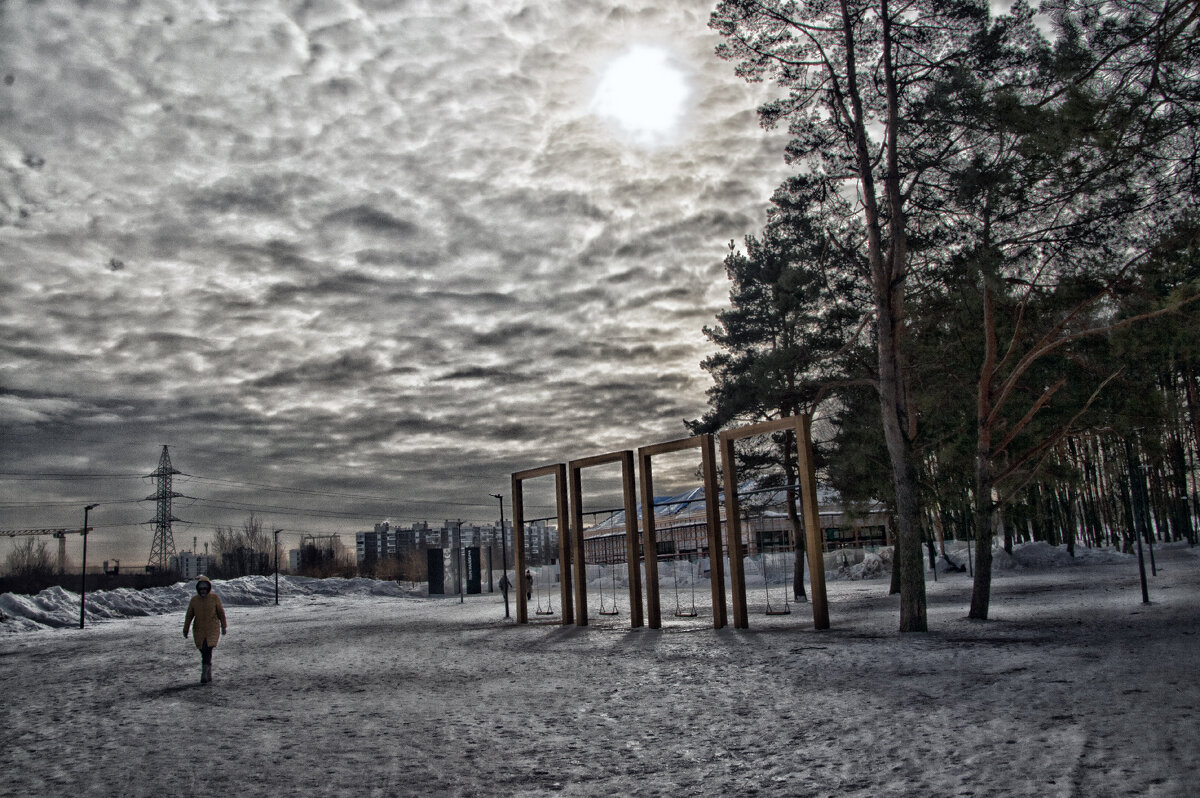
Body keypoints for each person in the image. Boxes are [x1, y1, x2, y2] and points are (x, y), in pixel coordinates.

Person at [183, 575, 227, 684]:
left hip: (212, 628)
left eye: (205, 588)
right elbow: (189, 615)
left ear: (208, 588)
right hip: (199, 630)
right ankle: (208, 671)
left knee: (208, 649)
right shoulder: (194, 600)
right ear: (198, 589)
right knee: (203, 650)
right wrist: (186, 629)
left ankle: (204, 674)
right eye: (201, 588)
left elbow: (221, 613)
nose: (203, 590)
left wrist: (223, 626)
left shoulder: (214, 598)